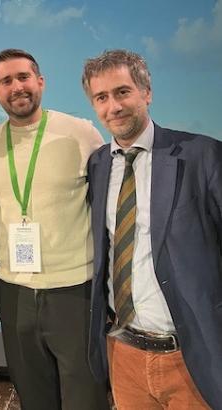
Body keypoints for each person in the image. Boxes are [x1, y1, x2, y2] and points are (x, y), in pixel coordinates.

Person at [83, 49, 222, 409]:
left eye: (122, 92)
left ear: (146, 93)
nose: (113, 106)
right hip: (124, 354)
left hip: (192, 358)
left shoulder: (202, 156)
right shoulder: (98, 165)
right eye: (101, 97)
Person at [0, 48, 109, 410]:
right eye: (6, 81)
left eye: (24, 77)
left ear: (40, 81)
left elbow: (106, 207)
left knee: (86, 399)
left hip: (74, 292)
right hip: (14, 294)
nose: (17, 87)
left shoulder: (80, 133)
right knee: (34, 397)